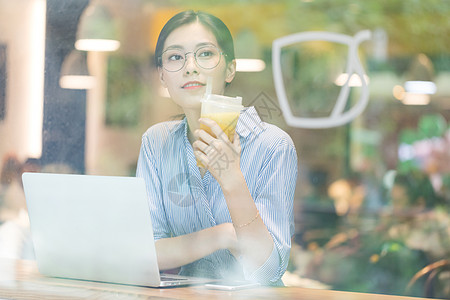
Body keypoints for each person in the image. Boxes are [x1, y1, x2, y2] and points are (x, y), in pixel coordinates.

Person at [136, 10, 297, 285]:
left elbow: (269, 271)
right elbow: (142, 252)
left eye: (206, 54)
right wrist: (221, 236)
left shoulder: (273, 145)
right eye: (175, 57)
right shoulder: (156, 142)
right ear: (162, 75)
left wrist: (231, 178)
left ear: (231, 68)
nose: (190, 67)